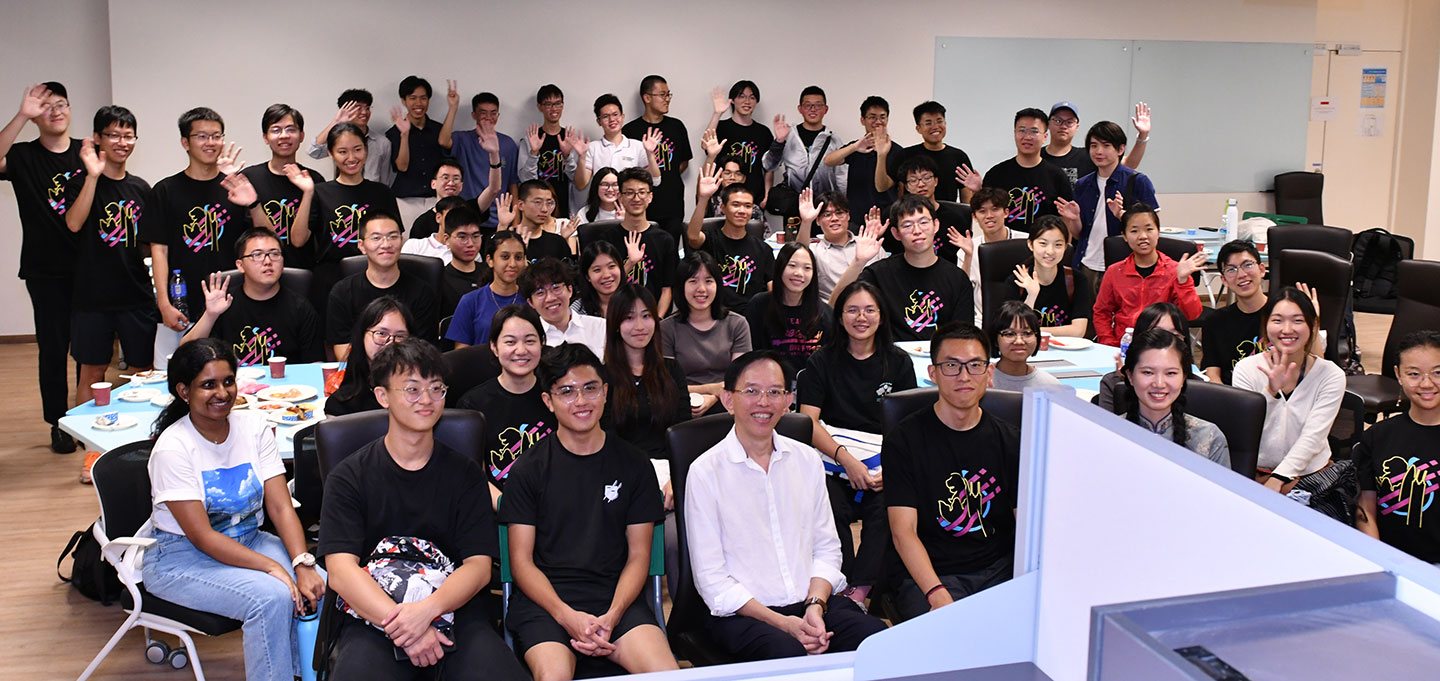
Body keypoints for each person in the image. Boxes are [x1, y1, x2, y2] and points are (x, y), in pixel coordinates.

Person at [320, 339, 527, 680]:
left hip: (456, 611)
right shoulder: (349, 476)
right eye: (412, 389)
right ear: (382, 396)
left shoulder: (466, 475)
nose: (427, 400)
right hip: (374, 617)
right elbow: (342, 570)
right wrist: (403, 626)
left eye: (436, 388)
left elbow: (478, 567)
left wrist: (426, 612)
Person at [686, 350, 888, 661]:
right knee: (789, 654)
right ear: (728, 400)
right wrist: (785, 624)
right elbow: (712, 579)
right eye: (751, 391)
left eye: (774, 392)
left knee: (879, 643)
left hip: (812, 602)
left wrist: (815, 607)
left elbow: (827, 549)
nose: (763, 402)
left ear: (788, 400)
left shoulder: (806, 460)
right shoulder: (705, 472)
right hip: (745, 614)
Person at [143, 338, 325, 681]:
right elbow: (202, 537)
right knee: (270, 598)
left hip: (248, 539)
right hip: (180, 557)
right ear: (184, 391)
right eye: (208, 385)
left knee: (322, 583)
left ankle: (310, 673)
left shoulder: (254, 428)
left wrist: (301, 563)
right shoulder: (173, 447)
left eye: (228, 381)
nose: (222, 392)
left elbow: (281, 506)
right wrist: (274, 567)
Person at [500, 343, 678, 679]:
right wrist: (568, 617)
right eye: (566, 392)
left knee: (666, 673)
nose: (580, 401)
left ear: (606, 393)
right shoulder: (529, 469)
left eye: (590, 388)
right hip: (546, 605)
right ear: (548, 402)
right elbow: (521, 563)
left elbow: (639, 556)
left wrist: (612, 615)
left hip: (617, 601)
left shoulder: (633, 464)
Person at [885, 323, 1020, 622]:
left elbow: (1024, 523)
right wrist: (938, 594)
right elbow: (902, 531)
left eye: (974, 365)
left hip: (998, 570)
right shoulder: (904, 439)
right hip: (932, 573)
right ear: (932, 374)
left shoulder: (1011, 440)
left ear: (989, 372)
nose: (964, 376)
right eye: (951, 365)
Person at [798, 281, 918, 609]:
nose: (860, 317)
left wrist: (889, 468)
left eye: (869, 310)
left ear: (881, 316)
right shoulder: (821, 361)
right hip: (833, 460)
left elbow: (907, 427)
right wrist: (847, 460)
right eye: (852, 310)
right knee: (827, 506)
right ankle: (840, 582)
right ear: (839, 317)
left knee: (889, 508)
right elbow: (808, 421)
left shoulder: (898, 362)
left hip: (883, 464)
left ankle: (861, 591)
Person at [0, 82, 83, 451]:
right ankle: (58, 422)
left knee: (89, 349)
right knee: (52, 349)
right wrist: (21, 115)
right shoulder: (23, 156)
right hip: (44, 269)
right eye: (45, 106)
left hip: (90, 267)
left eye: (61, 104)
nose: (55, 111)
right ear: (37, 115)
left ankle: (86, 418)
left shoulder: (87, 152)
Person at [139, 107, 272, 336]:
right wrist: (163, 303)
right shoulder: (165, 190)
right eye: (201, 136)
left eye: (216, 136)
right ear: (185, 142)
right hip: (181, 301)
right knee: (176, 368)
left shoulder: (236, 187)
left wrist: (253, 203)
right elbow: (158, 250)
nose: (210, 142)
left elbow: (268, 238)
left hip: (232, 299)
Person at [63, 104, 157, 405]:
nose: (122, 142)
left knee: (143, 371)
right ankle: (90, 449)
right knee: (93, 371)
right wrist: (93, 176)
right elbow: (74, 223)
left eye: (128, 136)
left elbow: (148, 243)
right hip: (92, 297)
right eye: (114, 135)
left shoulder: (141, 188)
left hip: (136, 294)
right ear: (97, 138)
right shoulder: (79, 182)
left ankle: (140, 442)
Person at [1232, 287, 1346, 493]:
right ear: (1266, 324)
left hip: (1312, 477)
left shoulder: (1331, 375)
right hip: (1256, 474)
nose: (1287, 329)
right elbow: (1245, 431)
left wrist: (1279, 479)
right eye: (1277, 320)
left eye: (1297, 320)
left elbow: (1313, 436)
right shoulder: (1246, 369)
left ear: (1313, 325)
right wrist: (1270, 392)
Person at [830, 194, 974, 341]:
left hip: (941, 359)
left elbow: (963, 334)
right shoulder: (879, 274)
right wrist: (858, 262)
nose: (917, 231)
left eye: (923, 222)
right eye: (907, 225)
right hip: (891, 357)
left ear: (936, 225)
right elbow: (835, 306)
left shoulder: (957, 278)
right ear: (896, 233)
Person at [457, 305, 554, 507]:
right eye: (510, 342)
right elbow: (473, 474)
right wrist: (507, 506)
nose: (521, 350)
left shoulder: (557, 395)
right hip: (498, 510)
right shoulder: (473, 405)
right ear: (494, 346)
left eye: (530, 341)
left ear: (542, 343)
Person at [181, 227, 322, 366]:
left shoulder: (301, 308)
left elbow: (315, 365)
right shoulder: (223, 304)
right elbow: (185, 354)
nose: (267, 261)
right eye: (257, 255)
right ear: (240, 265)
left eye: (274, 254)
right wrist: (210, 315)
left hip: (287, 386)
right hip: (232, 385)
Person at [1356, 331, 1440, 562]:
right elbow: (1366, 512)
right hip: (1390, 560)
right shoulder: (1377, 436)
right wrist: (1379, 561)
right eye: (1414, 374)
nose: (1426, 383)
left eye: (1437, 373)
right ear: (1398, 375)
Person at [308, 122, 402, 321]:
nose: (351, 158)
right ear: (332, 154)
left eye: (357, 149)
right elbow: (300, 240)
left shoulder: (382, 192)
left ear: (366, 150)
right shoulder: (320, 192)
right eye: (342, 151)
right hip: (331, 280)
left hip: (376, 278)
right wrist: (307, 193)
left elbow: (396, 236)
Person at [327, 212, 439, 358]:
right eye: (376, 238)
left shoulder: (422, 292)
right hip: (360, 373)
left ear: (402, 241)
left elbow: (423, 351)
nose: (386, 244)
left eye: (393, 236)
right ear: (362, 245)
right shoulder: (342, 292)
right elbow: (342, 351)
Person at [1067, 121, 1160, 295]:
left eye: (1106, 145)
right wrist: (1073, 219)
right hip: (1086, 264)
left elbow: (1153, 228)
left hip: (1123, 268)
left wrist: (1123, 216)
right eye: (1094, 146)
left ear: (1120, 149)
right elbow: (1079, 234)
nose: (1099, 151)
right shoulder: (1083, 184)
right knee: (1087, 319)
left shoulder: (1138, 181)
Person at [1091, 204, 1204, 346]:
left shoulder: (1175, 270)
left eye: (1149, 229)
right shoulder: (1114, 272)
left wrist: (1183, 281)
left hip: (1164, 345)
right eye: (1134, 231)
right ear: (1125, 236)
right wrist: (1109, 343)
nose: (1143, 236)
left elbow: (1192, 315)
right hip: (1124, 345)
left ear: (1158, 232)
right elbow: (1102, 313)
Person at [1119, 328, 1230, 466]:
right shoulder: (1109, 434)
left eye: (1170, 373)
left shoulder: (1209, 437)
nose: (1159, 384)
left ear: (1183, 377)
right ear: (1130, 376)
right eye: (1148, 372)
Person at [661, 252, 753, 417]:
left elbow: (741, 380)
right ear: (681, 287)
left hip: (730, 404)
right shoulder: (666, 329)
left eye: (709, 281)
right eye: (693, 281)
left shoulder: (737, 324)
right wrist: (711, 390)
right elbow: (668, 385)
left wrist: (714, 398)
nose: (701, 289)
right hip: (682, 404)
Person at [961, 107, 1075, 234]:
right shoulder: (996, 174)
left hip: (1043, 249)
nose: (1027, 136)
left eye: (1034, 131)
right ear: (1015, 133)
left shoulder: (1057, 177)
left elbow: (1065, 222)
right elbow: (985, 214)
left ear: (1045, 137)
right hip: (1004, 247)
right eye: (1022, 130)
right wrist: (978, 191)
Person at [240, 103, 325, 269]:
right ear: (265, 137)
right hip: (259, 271)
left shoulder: (314, 179)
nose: (284, 136)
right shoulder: (249, 178)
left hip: (304, 271)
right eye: (276, 130)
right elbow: (264, 236)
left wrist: (308, 192)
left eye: (291, 129)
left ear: (301, 136)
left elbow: (302, 240)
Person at [687, 165, 774, 313]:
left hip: (750, 317)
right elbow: (693, 237)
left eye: (747, 206)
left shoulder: (763, 249)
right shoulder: (711, 240)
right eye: (735, 205)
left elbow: (773, 290)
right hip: (715, 314)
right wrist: (704, 198)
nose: (742, 211)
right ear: (723, 208)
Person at [622, 75, 692, 239]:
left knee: (670, 250)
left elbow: (683, 162)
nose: (667, 99)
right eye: (662, 95)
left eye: (668, 94)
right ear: (647, 98)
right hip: (641, 203)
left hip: (672, 202)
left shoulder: (677, 126)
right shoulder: (630, 131)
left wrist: (667, 176)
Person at [745, 243, 831, 375]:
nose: (799, 273)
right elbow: (752, 357)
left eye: (807, 268)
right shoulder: (759, 305)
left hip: (812, 386)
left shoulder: (825, 313)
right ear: (780, 267)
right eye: (792, 265)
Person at [387, 76, 459, 228]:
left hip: (437, 198)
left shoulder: (438, 130)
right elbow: (402, 166)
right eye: (412, 98)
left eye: (423, 98)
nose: (418, 103)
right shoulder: (394, 133)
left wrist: (453, 107)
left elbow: (446, 146)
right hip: (407, 200)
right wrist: (404, 135)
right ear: (403, 101)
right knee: (408, 247)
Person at [763, 86, 847, 216]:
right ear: (800, 109)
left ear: (826, 109)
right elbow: (769, 165)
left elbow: (841, 176)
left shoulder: (833, 140)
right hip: (794, 206)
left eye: (818, 105)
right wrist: (779, 141)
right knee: (794, 237)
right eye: (808, 105)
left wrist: (842, 204)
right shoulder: (788, 135)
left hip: (825, 207)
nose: (813, 109)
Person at [601, 167, 676, 312]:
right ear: (620, 197)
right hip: (618, 313)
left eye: (642, 192)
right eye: (629, 193)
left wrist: (657, 321)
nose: (636, 198)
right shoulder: (607, 239)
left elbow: (667, 289)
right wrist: (630, 263)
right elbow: (605, 285)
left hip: (654, 317)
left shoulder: (665, 240)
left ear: (650, 197)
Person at [1097, 302, 1195, 412]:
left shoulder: (1201, 389)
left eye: (1175, 336)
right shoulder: (1113, 383)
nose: (1166, 343)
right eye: (1157, 334)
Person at [327, 296, 415, 416]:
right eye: (381, 334)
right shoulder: (340, 405)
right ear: (362, 336)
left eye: (400, 336)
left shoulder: (423, 397)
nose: (391, 342)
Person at [1010, 215, 1092, 338]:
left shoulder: (1077, 280)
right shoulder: (1017, 280)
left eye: (1058, 245)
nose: (1050, 251)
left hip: (1066, 350)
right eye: (1043, 244)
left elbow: (1078, 331)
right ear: (1030, 245)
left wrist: (1034, 330)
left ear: (1065, 247)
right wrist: (1031, 296)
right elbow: (1014, 329)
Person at [878, 101, 974, 203]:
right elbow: (882, 187)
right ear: (918, 128)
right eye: (928, 123)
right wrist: (881, 156)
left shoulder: (959, 156)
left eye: (939, 121)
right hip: (914, 215)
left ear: (945, 123)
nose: (935, 126)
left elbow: (966, 201)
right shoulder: (906, 155)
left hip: (947, 216)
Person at [1041, 101, 1150, 188]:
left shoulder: (1089, 155)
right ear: (1048, 124)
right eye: (1058, 120)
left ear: (1077, 127)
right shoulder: (1036, 156)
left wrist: (1143, 135)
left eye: (1069, 122)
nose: (1063, 126)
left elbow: (1129, 164)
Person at [1202, 241, 1268, 384]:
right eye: (1231, 269)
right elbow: (1212, 374)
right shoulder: (1214, 322)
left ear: (1262, 270)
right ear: (1223, 280)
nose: (1241, 274)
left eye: (1248, 265)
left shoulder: (1282, 314)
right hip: (1234, 398)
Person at [447, 231, 527, 348]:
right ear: (490, 260)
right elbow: (461, 354)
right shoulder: (471, 301)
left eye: (518, 257)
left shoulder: (531, 299)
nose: (512, 263)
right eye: (505, 257)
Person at [822, 96, 893, 226]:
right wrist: (855, 147)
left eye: (882, 117)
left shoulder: (897, 151)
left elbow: (882, 187)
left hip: (886, 219)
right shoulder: (856, 147)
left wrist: (881, 155)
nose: (878, 121)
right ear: (863, 120)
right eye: (872, 117)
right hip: (856, 218)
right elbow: (828, 161)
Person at [450, 92, 517, 227]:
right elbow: (443, 141)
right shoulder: (462, 139)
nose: (488, 117)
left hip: (500, 218)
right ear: (474, 114)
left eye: (493, 113)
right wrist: (453, 108)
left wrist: (516, 222)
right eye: (483, 113)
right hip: (468, 215)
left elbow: (513, 184)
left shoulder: (508, 143)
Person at [704, 80, 774, 206]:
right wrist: (717, 113)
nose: (747, 101)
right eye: (741, 96)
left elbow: (769, 168)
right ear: (733, 100)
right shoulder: (722, 127)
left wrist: (767, 196)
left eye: (751, 97)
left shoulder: (763, 132)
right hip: (723, 198)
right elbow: (706, 145)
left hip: (754, 198)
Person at [887, 155, 969, 263]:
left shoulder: (954, 218)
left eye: (926, 178)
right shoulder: (897, 217)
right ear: (906, 187)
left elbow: (963, 255)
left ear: (936, 181)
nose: (921, 184)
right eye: (913, 180)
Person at [959, 187, 1022, 326]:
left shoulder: (1026, 242)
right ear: (975, 217)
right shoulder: (967, 248)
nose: (989, 216)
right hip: (981, 321)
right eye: (982, 211)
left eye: (995, 209)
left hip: (1022, 319)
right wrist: (968, 256)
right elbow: (961, 290)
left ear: (1006, 213)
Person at [522, 257, 607, 357]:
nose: (550, 298)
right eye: (540, 293)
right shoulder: (528, 338)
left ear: (570, 290)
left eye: (556, 288)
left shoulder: (601, 328)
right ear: (530, 302)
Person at [307, 88, 393, 185]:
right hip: (342, 194)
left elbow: (385, 180)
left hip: (373, 195)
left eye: (367, 108)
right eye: (358, 108)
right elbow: (313, 152)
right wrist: (336, 122)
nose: (364, 112)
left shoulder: (382, 143)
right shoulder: (338, 139)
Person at [407, 152, 502, 240]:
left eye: (456, 179)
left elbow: (493, 189)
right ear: (433, 184)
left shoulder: (470, 209)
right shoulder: (422, 223)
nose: (451, 183)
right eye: (445, 178)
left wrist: (494, 154)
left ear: (461, 185)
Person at [574, 94, 659, 191]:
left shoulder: (638, 146)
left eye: (615, 115)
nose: (612, 120)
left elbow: (655, 181)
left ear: (622, 117)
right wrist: (581, 158)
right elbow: (580, 185)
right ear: (599, 121)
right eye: (606, 116)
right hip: (602, 203)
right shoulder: (592, 147)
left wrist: (650, 154)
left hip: (629, 203)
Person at [520, 84, 580, 216]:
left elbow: (577, 180)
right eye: (548, 104)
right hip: (536, 210)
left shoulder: (570, 139)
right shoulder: (530, 139)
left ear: (562, 106)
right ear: (540, 107)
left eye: (558, 103)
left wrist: (568, 156)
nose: (554, 109)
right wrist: (534, 154)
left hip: (566, 208)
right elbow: (525, 181)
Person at [986, 301, 1061, 393]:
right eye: (1009, 334)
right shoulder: (980, 380)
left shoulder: (1050, 385)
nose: (1019, 341)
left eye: (1027, 333)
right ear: (995, 339)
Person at [497, 180, 576, 262]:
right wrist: (502, 226)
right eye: (538, 202)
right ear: (521, 205)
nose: (544, 209)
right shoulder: (509, 238)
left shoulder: (557, 242)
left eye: (549, 203)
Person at [437, 206, 489, 319]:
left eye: (475, 236)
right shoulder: (440, 280)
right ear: (447, 240)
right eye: (462, 237)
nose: (470, 243)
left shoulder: (490, 273)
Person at [402, 194, 466, 262]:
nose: (457, 220)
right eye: (451, 215)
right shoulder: (414, 245)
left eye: (462, 216)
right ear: (438, 217)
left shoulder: (468, 251)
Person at [575, 240, 624, 318]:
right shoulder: (577, 311)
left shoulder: (637, 302)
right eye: (597, 270)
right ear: (587, 276)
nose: (606, 275)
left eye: (611, 266)